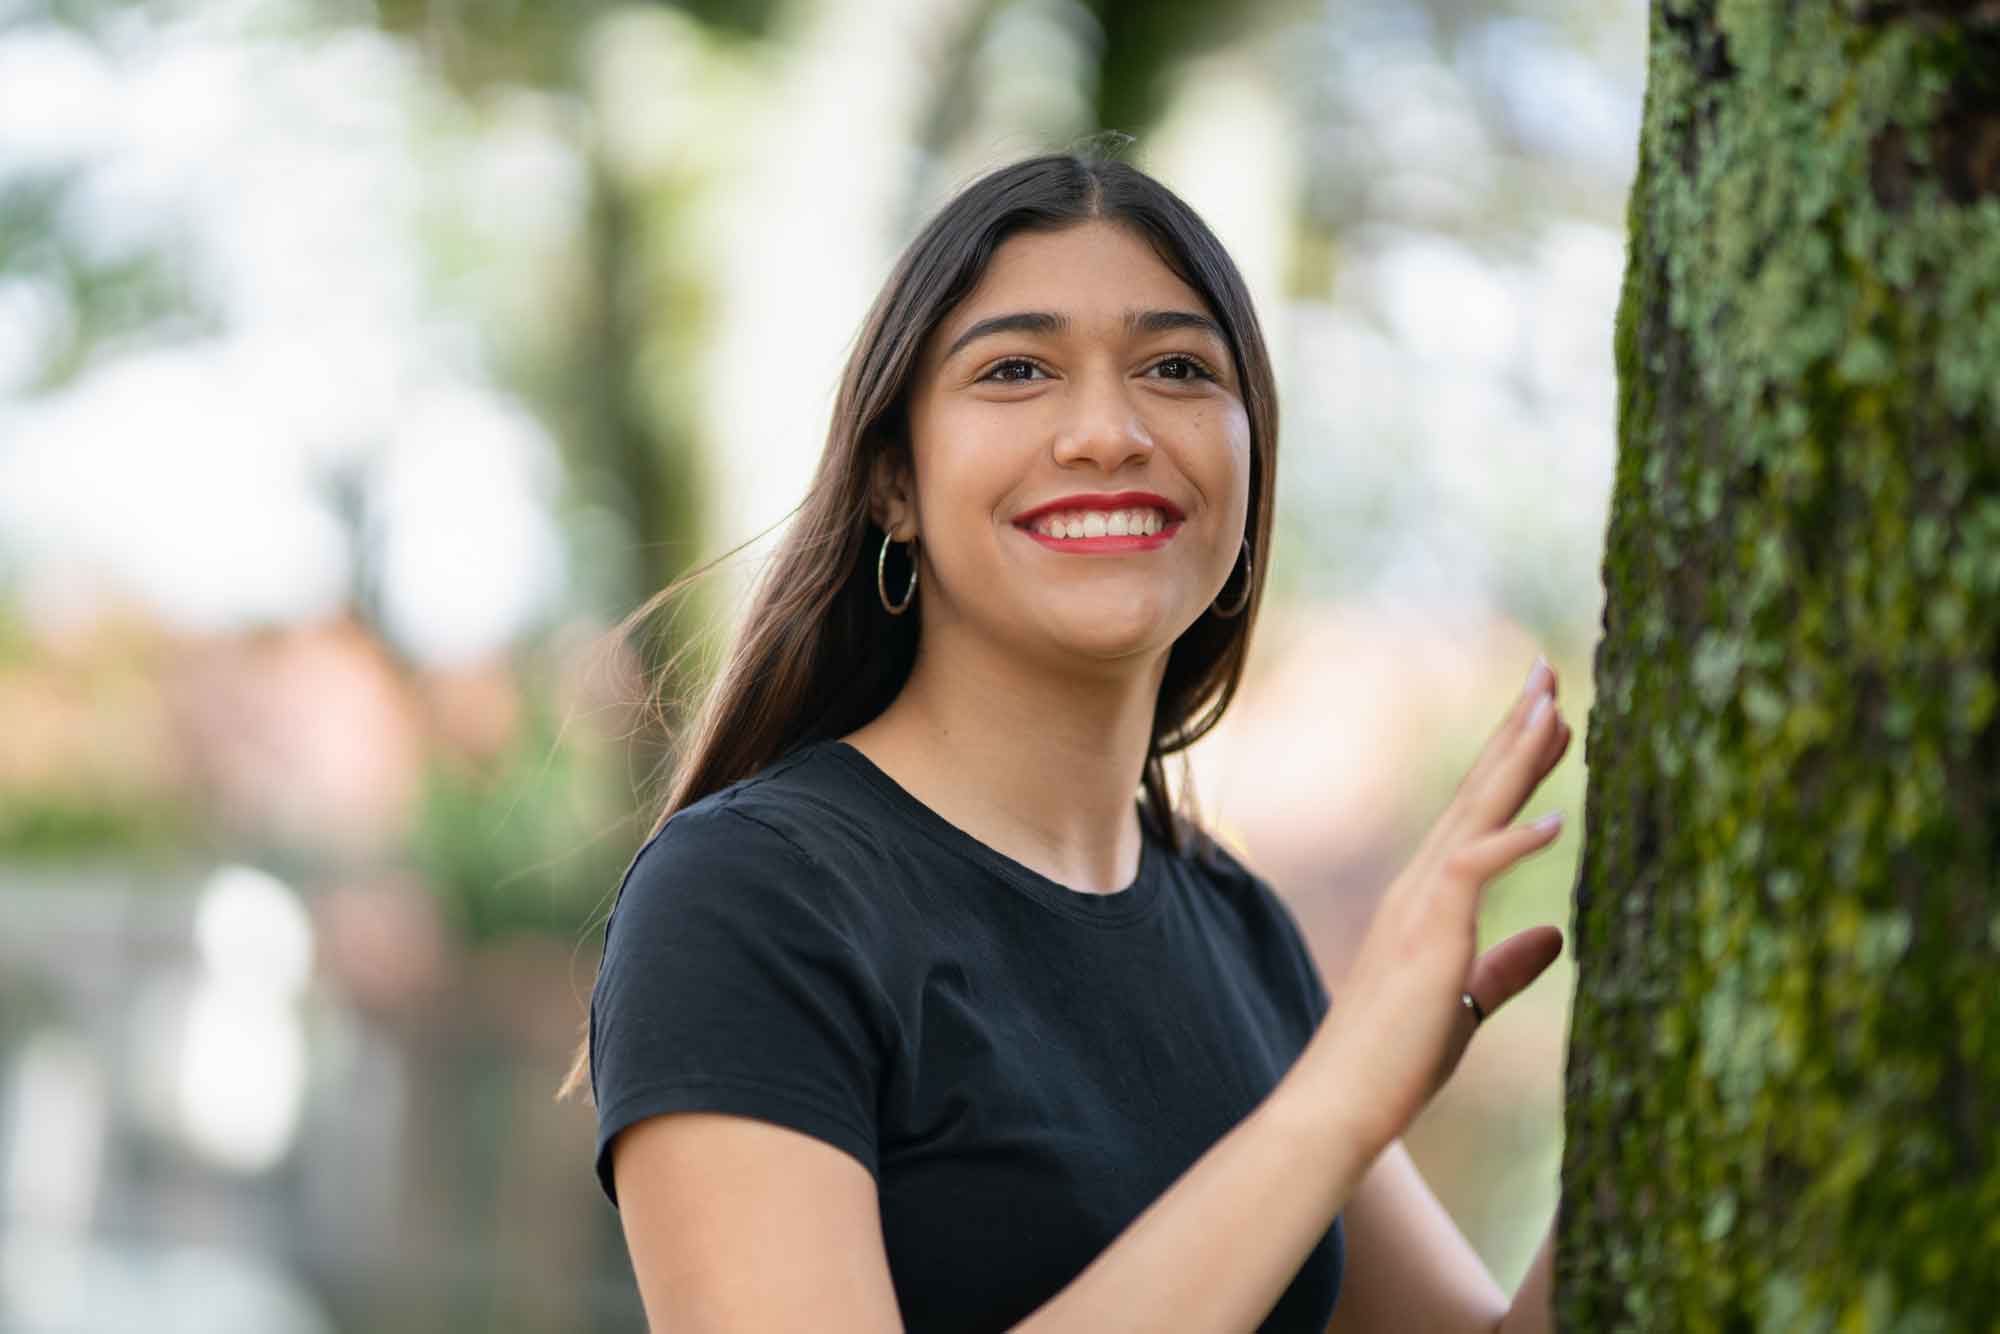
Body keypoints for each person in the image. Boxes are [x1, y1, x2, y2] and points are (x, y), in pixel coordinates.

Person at [562, 149, 1571, 1333]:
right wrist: (1335, 1101)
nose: (1107, 430)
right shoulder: (748, 897)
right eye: (1017, 369)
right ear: (893, 481)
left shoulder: (1233, 924)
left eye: (1178, 367)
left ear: (1249, 468)